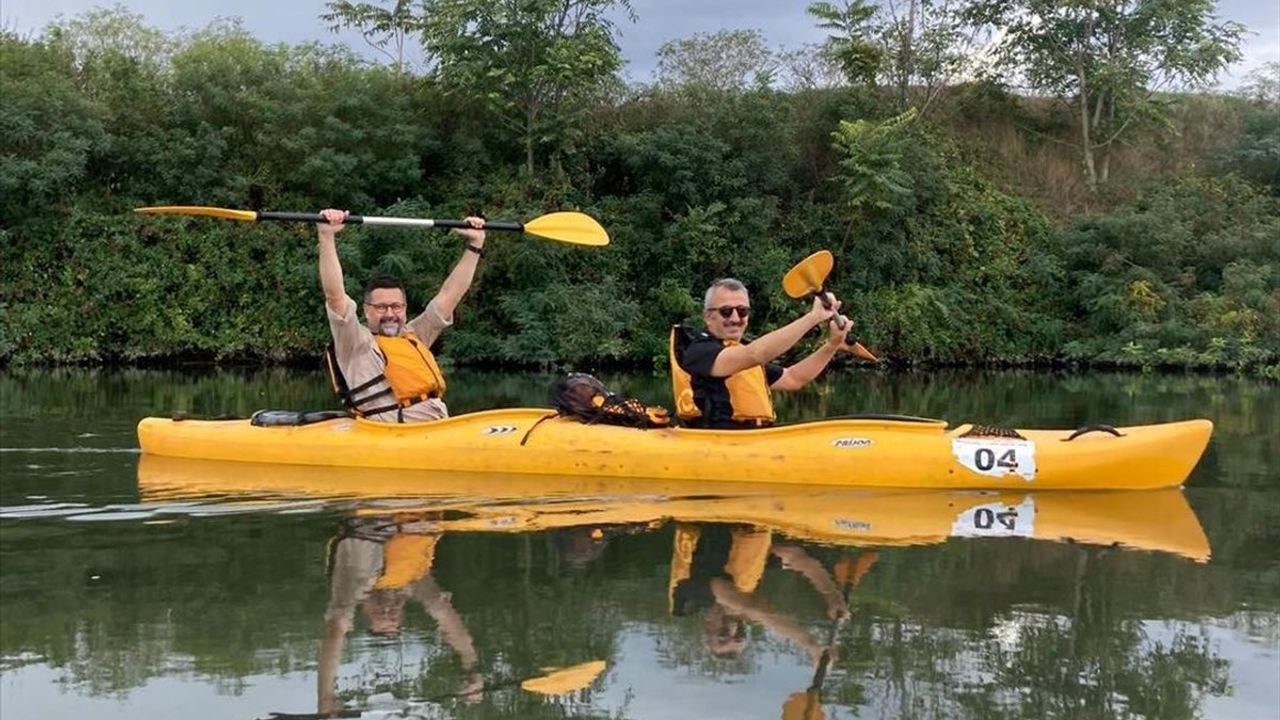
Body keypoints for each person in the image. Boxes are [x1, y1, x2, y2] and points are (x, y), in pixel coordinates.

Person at [316, 208, 487, 422]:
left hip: (438, 426)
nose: (390, 314)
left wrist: (475, 245)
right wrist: (326, 236)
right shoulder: (354, 342)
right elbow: (335, 296)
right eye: (381, 307)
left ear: (405, 308)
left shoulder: (415, 335)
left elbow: (450, 295)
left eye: (396, 307)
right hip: (398, 432)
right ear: (366, 310)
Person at [670, 278, 858, 429]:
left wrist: (832, 345)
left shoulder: (739, 352)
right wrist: (813, 317)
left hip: (757, 440)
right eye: (726, 311)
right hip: (718, 442)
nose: (735, 318)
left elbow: (793, 379)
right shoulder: (698, 351)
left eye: (742, 311)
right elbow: (754, 355)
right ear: (708, 317)